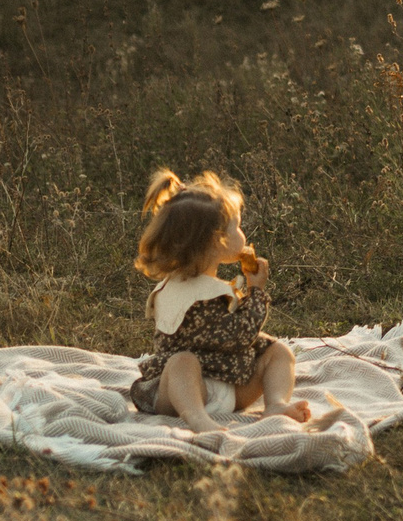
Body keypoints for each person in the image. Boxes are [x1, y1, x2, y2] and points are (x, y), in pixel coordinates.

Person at [125, 169, 311, 432]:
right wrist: (256, 293)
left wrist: (262, 342)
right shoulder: (188, 295)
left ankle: (276, 404)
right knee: (182, 362)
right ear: (217, 241)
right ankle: (196, 418)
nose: (243, 233)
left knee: (278, 352)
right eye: (236, 226)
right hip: (182, 393)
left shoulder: (211, 288)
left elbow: (234, 341)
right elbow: (238, 335)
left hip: (228, 384)